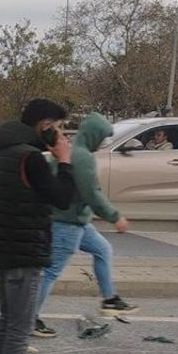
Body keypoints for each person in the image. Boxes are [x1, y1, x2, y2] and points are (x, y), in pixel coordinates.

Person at [0, 99, 76, 354]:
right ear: (45, 125)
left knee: (7, 322)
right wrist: (64, 161)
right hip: (24, 251)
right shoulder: (31, 158)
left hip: (2, 249)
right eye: (59, 126)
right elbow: (62, 198)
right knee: (20, 327)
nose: (61, 133)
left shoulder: (0, 153)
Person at [33, 113, 137, 338]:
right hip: (66, 223)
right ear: (94, 135)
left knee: (103, 250)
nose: (104, 142)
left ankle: (109, 299)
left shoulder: (72, 151)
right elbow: (92, 193)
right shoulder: (81, 157)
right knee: (50, 272)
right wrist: (115, 216)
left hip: (77, 220)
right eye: (103, 137)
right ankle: (29, 318)